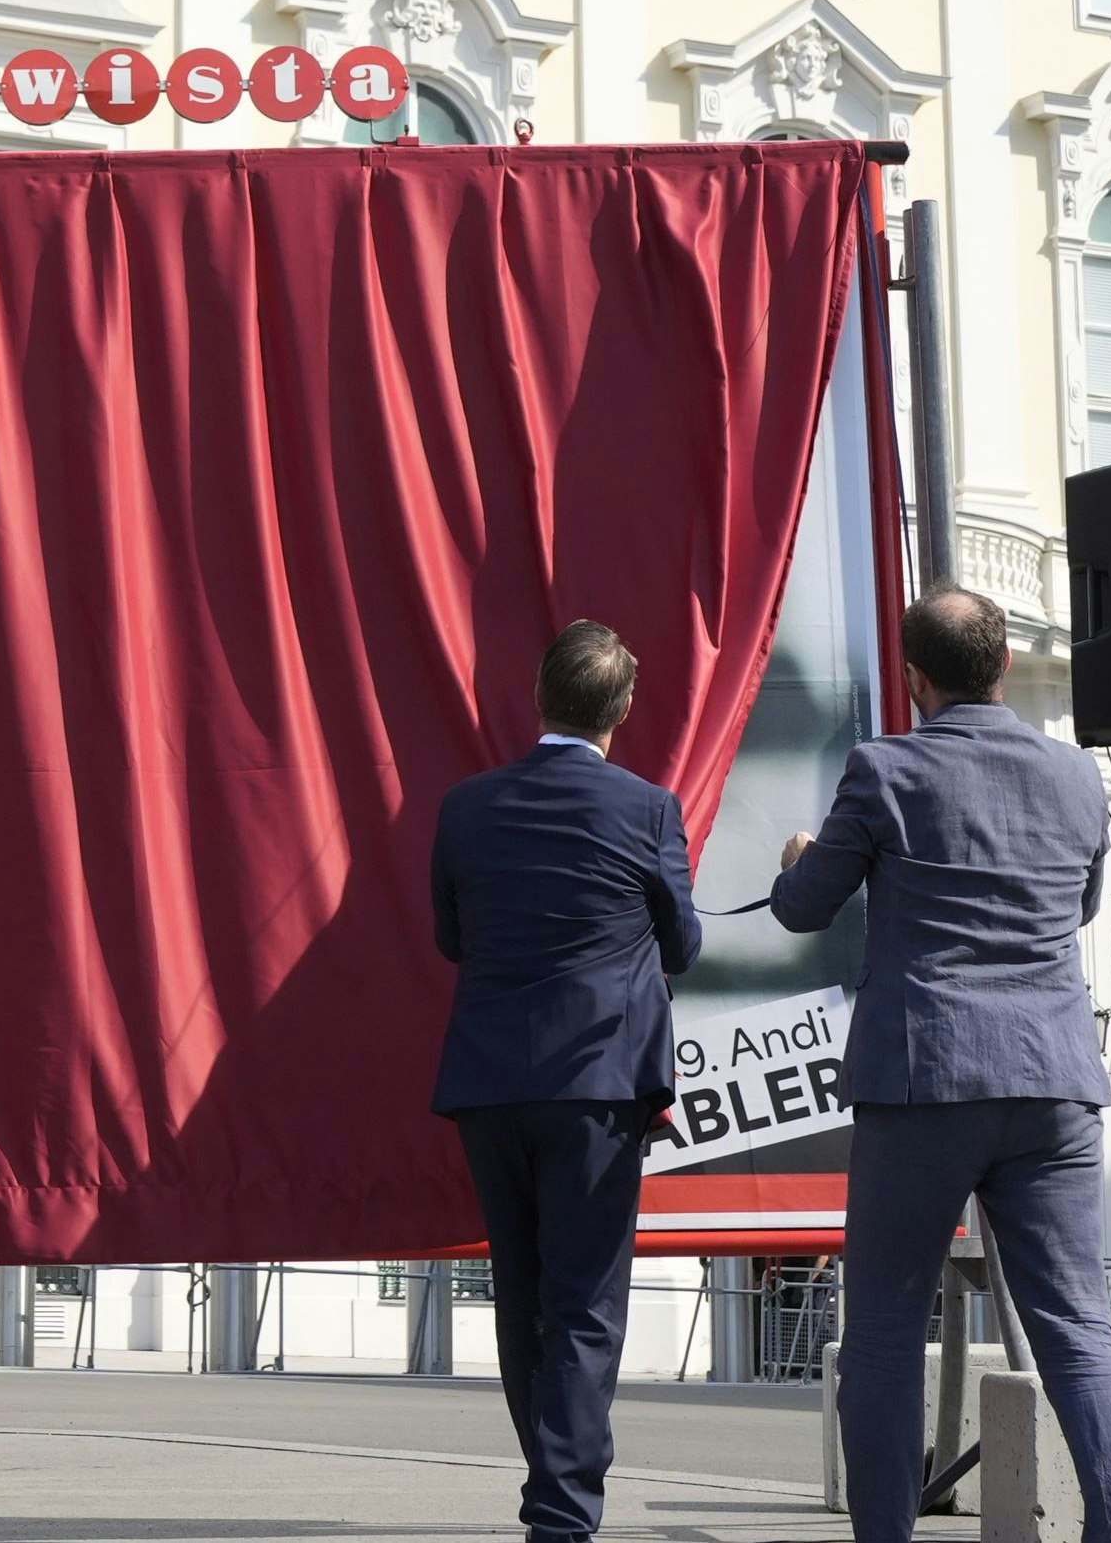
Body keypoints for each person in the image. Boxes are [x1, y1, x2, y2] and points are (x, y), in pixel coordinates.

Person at [773, 586, 1111, 1543]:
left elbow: (805, 909)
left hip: (925, 1077)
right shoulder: (1075, 776)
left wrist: (799, 858)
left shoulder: (884, 769)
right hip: (1053, 1078)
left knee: (889, 1329)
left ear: (915, 678)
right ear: (1003, 668)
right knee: (1077, 1329)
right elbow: (1077, 908)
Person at [430, 620, 701, 1543]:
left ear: (539, 696)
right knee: (584, 1302)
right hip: (596, 1087)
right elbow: (684, 946)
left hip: (490, 1082)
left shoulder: (466, 807)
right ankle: (562, 1506)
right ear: (623, 711)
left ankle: (554, 1473)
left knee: (524, 1291)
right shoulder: (649, 810)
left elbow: (452, 938)